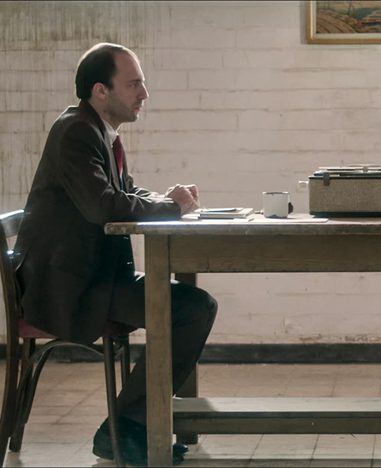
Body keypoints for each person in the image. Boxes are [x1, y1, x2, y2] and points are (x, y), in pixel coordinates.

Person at [14, 42, 218, 465]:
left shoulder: (98, 132)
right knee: (191, 309)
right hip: (70, 289)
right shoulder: (76, 133)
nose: (144, 93)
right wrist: (171, 207)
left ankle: (131, 427)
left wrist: (165, 199)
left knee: (188, 305)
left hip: (94, 278)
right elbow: (103, 206)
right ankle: (125, 429)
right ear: (100, 90)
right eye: (134, 84)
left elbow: (124, 192)